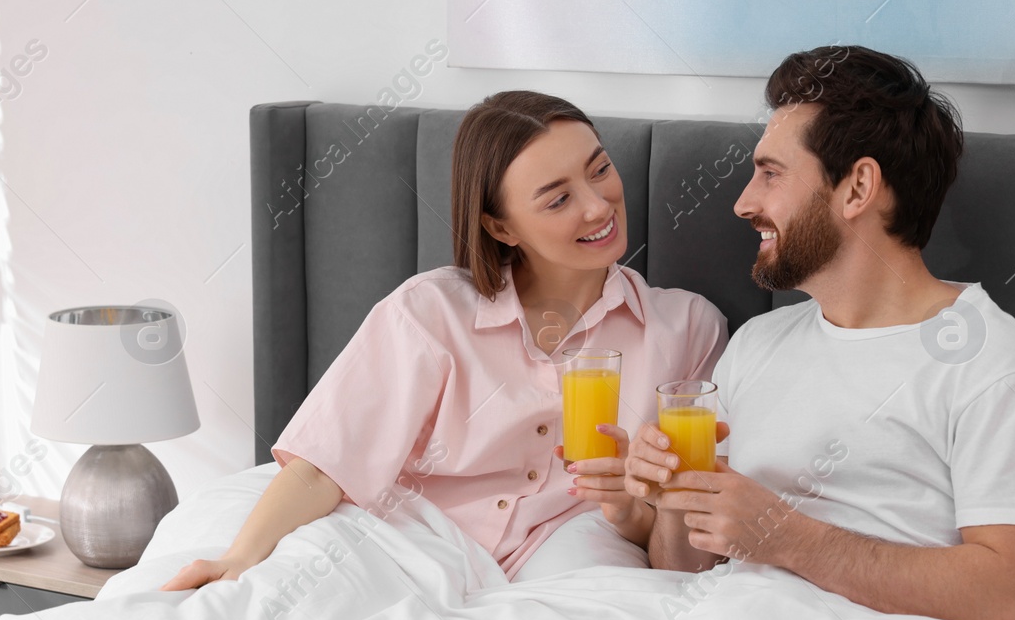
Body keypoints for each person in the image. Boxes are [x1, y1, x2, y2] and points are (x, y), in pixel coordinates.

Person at [162, 91, 727, 591]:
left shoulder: (686, 328)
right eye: (557, 199)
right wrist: (238, 561)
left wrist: (626, 501)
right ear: (501, 227)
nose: (598, 205)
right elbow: (322, 465)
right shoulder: (430, 312)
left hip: (571, 543)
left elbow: (677, 534)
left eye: (600, 170)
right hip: (414, 535)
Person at [617, 46, 1015, 620]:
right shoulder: (757, 345)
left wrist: (788, 537)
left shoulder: (1000, 368)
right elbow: (686, 566)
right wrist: (678, 494)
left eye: (770, 173)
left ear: (858, 187)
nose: (743, 202)